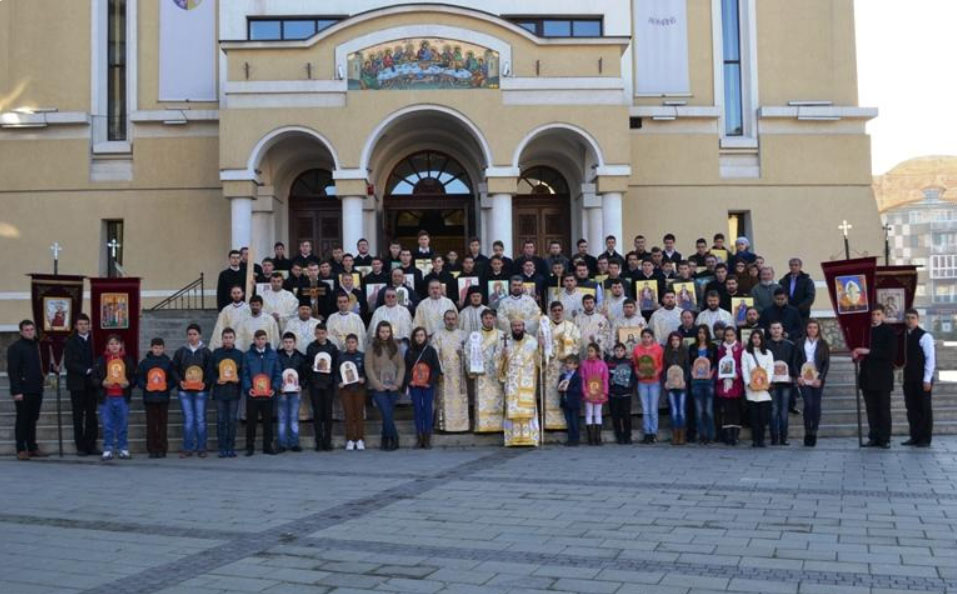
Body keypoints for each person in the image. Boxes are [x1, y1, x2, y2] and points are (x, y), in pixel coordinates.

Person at [92, 334, 135, 461]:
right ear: (107, 346)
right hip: (106, 398)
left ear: (121, 345)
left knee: (122, 425)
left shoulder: (127, 360)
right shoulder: (101, 360)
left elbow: (134, 377)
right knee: (107, 425)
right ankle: (108, 449)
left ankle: (123, 448)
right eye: (111, 344)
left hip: (122, 397)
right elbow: (93, 378)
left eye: (116, 343)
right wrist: (102, 383)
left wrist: (129, 383)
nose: (114, 346)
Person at [172, 323, 212, 458]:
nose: (192, 337)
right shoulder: (180, 352)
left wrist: (205, 384)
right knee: (188, 419)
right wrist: (180, 382)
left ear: (200, 335)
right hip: (185, 391)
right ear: (187, 336)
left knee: (200, 419)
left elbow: (210, 371)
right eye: (190, 334)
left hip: (201, 391)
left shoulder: (206, 352)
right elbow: (174, 370)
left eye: (195, 334)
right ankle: (187, 448)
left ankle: (201, 448)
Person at [500, 318, 541, 447]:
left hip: (527, 380)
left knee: (527, 408)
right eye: (514, 325)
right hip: (512, 382)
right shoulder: (506, 342)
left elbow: (540, 362)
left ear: (524, 326)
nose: (517, 328)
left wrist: (541, 347)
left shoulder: (532, 342)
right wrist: (502, 357)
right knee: (512, 409)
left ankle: (531, 438)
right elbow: (499, 365)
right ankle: (511, 439)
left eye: (519, 325)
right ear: (511, 327)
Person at [541, 302, 581, 430]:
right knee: (551, 393)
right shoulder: (544, 327)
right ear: (550, 312)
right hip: (550, 367)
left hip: (566, 366)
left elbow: (577, 345)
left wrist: (567, 353)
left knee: (567, 393)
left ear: (563, 311)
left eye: (559, 310)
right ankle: (550, 424)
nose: (557, 312)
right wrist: (542, 348)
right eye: (554, 310)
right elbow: (539, 347)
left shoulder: (571, 327)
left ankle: (567, 425)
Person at [64, 313, 99, 456]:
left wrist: (96, 369)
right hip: (76, 384)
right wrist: (86, 370)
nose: (83, 327)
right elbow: (69, 363)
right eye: (80, 324)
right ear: (76, 326)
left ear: (89, 325)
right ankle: (81, 447)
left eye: (86, 324)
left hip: (92, 384)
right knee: (78, 416)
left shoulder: (95, 340)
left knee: (92, 415)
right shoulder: (70, 342)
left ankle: (92, 445)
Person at [366, 321, 405, 451]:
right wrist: (377, 385)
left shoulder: (395, 346)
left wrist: (397, 383)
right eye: (382, 331)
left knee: (387, 413)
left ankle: (385, 437)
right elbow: (368, 367)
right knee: (386, 412)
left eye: (387, 331)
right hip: (379, 386)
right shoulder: (371, 347)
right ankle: (393, 437)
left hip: (393, 386)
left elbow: (401, 366)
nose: (385, 334)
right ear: (378, 332)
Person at [242, 329, 281, 456]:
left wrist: (274, 388)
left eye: (263, 339)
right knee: (251, 422)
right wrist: (249, 389)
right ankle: (250, 446)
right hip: (253, 395)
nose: (260, 341)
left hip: (268, 395)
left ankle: (267, 446)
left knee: (268, 422)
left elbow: (277, 373)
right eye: (258, 339)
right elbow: (245, 374)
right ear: (254, 340)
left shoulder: (273, 355)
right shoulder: (248, 355)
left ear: (266, 340)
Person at [136, 337, 175, 459]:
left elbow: (173, 379)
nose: (157, 350)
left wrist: (167, 386)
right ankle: (152, 449)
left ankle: (162, 449)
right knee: (151, 424)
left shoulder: (168, 362)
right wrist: (144, 386)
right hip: (150, 398)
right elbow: (139, 378)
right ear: (151, 348)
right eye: (155, 348)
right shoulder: (145, 363)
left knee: (162, 424)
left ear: (164, 349)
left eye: (160, 348)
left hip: (163, 398)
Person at [902, 309, 936, 447]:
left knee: (924, 409)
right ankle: (914, 436)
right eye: (908, 318)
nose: (910, 320)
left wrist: (927, 379)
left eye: (913, 318)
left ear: (918, 319)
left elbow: (930, 359)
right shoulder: (904, 336)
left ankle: (925, 438)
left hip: (922, 379)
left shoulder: (925, 336)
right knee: (911, 409)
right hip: (909, 378)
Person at [794, 319, 830, 447]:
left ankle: (814, 432)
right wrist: (798, 376)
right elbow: (794, 362)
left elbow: (826, 363)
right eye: (810, 327)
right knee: (808, 404)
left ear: (818, 329)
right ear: (806, 329)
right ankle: (807, 431)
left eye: (815, 327)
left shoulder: (823, 344)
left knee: (816, 405)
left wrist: (821, 378)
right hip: (804, 378)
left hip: (816, 378)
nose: (812, 330)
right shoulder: (799, 343)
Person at [432, 310, 468, 434]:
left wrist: (464, 354)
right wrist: (440, 371)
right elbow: (434, 354)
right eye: (448, 319)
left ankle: (462, 426)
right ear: (444, 320)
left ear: (457, 320)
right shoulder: (438, 335)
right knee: (444, 399)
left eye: (453, 319)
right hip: (445, 374)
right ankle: (445, 426)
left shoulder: (464, 335)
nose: (451, 321)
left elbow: (470, 353)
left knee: (460, 399)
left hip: (460, 373)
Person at [405, 327, 441, 448]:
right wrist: (410, 380)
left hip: (427, 386)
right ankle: (419, 436)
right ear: (413, 337)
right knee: (417, 409)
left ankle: (427, 437)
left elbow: (436, 369)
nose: (419, 338)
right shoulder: (409, 351)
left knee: (427, 409)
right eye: (417, 336)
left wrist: (430, 382)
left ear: (425, 337)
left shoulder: (431, 351)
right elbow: (406, 369)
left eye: (421, 335)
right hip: (415, 386)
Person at [210, 327, 243, 458]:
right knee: (221, 420)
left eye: (230, 337)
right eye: (226, 337)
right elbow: (210, 371)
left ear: (234, 339)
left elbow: (242, 372)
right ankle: (222, 447)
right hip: (220, 392)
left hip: (234, 392)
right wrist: (216, 380)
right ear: (222, 339)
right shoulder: (216, 353)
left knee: (232, 420)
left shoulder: (239, 354)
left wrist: (238, 379)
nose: (228, 340)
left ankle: (231, 447)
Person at [305, 323, 338, 451]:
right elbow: (306, 364)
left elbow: (335, 365)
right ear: (315, 334)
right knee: (317, 413)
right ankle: (319, 441)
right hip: (315, 384)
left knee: (328, 413)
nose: (320, 335)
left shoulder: (332, 347)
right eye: (318, 333)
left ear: (326, 333)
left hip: (328, 384)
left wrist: (332, 377)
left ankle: (327, 441)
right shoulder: (311, 347)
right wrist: (311, 368)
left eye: (322, 333)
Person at [766, 321, 797, 445]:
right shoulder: (766, 346)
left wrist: (793, 376)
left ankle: (784, 438)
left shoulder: (790, 345)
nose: (776, 330)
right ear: (769, 330)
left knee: (784, 411)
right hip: (771, 383)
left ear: (782, 329)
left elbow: (794, 362)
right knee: (773, 410)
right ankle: (774, 438)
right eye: (773, 328)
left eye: (778, 328)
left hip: (786, 383)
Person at [742, 329, 773, 447]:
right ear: (751, 339)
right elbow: (744, 369)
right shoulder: (746, 353)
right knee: (754, 417)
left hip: (764, 390)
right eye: (754, 337)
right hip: (751, 390)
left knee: (763, 417)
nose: (756, 340)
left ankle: (762, 439)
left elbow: (770, 369)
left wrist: (766, 382)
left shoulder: (768, 353)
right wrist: (749, 383)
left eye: (759, 337)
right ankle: (755, 440)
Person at [276, 332, 306, 453]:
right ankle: (282, 443)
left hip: (295, 392)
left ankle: (294, 443)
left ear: (294, 343)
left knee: (293, 418)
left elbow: (304, 375)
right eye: (286, 342)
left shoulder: (300, 357)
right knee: (282, 418)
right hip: (282, 392)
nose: (288, 345)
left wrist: (301, 386)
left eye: (290, 342)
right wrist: (278, 386)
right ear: (283, 343)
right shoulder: (277, 356)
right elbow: (276, 373)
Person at [632, 328, 664, 444]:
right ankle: (647, 433)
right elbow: (635, 364)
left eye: (648, 337)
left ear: (652, 338)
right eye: (644, 337)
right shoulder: (637, 349)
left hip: (654, 382)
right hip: (642, 382)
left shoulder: (658, 349)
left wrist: (657, 372)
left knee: (653, 408)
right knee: (645, 409)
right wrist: (637, 372)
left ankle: (654, 432)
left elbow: (661, 364)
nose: (646, 339)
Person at [337, 333, 367, 451]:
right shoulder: (341, 357)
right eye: (349, 342)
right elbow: (337, 373)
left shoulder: (362, 356)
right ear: (346, 344)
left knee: (359, 414)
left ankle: (360, 439)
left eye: (353, 342)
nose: (351, 345)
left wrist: (363, 378)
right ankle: (350, 439)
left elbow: (366, 372)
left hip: (359, 389)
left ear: (357, 344)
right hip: (346, 390)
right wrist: (339, 382)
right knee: (348, 414)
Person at [716, 326, 744, 445]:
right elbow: (718, 364)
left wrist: (738, 373)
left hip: (736, 383)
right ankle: (727, 436)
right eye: (727, 335)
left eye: (731, 335)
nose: (729, 338)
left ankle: (735, 435)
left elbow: (743, 364)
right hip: (724, 383)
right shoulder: (720, 349)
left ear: (735, 336)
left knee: (736, 410)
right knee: (726, 410)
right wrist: (720, 374)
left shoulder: (741, 349)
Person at [690, 325, 718, 444]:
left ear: (707, 334)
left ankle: (711, 435)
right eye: (699, 332)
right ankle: (702, 435)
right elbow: (689, 363)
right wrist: (692, 373)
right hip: (696, 381)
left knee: (708, 410)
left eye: (704, 333)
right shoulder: (692, 347)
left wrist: (711, 373)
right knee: (699, 410)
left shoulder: (713, 347)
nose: (701, 335)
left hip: (708, 381)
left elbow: (716, 363)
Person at [607, 342, 636, 445]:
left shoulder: (629, 363)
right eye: (617, 351)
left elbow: (633, 376)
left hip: (625, 394)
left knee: (626, 416)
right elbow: (606, 376)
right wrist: (609, 382)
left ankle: (628, 436)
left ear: (624, 352)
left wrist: (630, 384)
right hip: (613, 394)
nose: (619, 353)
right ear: (614, 352)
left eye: (621, 351)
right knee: (615, 416)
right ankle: (619, 436)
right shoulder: (610, 363)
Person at [663, 331, 690, 445]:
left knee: (681, 411)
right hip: (671, 386)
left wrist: (685, 380)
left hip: (682, 385)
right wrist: (665, 381)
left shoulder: (684, 352)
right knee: (674, 411)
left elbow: (688, 368)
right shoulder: (667, 352)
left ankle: (682, 435)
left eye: (677, 340)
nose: (675, 342)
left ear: (680, 341)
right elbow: (665, 369)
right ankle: (675, 434)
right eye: (672, 340)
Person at [580, 342, 609, 446]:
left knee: (597, 413)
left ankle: (598, 437)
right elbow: (583, 379)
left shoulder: (602, 364)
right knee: (589, 413)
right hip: (588, 393)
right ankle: (590, 438)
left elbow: (605, 379)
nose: (589, 353)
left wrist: (604, 392)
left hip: (599, 393)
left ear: (597, 352)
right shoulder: (584, 364)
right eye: (588, 351)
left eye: (591, 351)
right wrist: (585, 392)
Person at [780, 258, 816, 324]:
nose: (793, 267)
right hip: (786, 313)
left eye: (796, 265)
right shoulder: (783, 281)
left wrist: (798, 308)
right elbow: (780, 296)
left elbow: (810, 297)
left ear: (800, 266)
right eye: (791, 265)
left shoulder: (807, 281)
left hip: (802, 313)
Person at [558, 355, 583, 446]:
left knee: (574, 421)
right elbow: (560, 387)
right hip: (565, 402)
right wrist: (560, 388)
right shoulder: (563, 376)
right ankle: (570, 439)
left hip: (574, 402)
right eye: (567, 363)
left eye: (570, 363)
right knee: (568, 422)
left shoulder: (577, 377)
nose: (567, 365)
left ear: (576, 365)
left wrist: (567, 389)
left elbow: (578, 390)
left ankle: (576, 439)